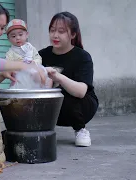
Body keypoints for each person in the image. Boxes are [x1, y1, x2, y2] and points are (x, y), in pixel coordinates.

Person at [39, 12, 99, 147]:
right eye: (52, 30)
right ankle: (41, 129)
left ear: (73, 34)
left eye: (61, 31)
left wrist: (57, 76)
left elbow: (81, 92)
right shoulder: (41, 55)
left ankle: (81, 129)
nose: (55, 35)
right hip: (51, 105)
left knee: (66, 94)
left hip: (80, 105)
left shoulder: (82, 57)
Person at [5, 19, 53, 88]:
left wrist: (34, 62)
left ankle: (44, 89)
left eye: (20, 34)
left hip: (33, 72)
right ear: (8, 39)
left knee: (45, 76)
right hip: (20, 76)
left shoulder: (31, 48)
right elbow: (8, 65)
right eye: (13, 36)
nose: (18, 38)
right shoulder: (10, 53)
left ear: (27, 35)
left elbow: (38, 57)